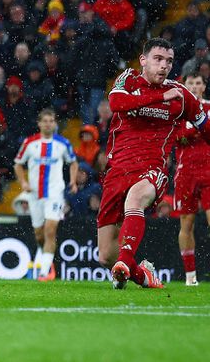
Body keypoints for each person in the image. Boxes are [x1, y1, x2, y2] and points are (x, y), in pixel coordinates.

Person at [98, 38, 210, 290]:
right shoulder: (128, 79)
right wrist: (156, 99)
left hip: (152, 168)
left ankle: (126, 263)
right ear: (143, 60)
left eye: (169, 61)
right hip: (117, 170)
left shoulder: (181, 95)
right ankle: (141, 274)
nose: (164, 66)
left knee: (135, 200)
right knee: (105, 255)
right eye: (158, 59)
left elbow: (206, 129)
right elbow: (116, 104)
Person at [13, 109, 79, 282]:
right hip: (34, 194)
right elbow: (18, 164)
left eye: (51, 121)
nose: (48, 124)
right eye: (45, 121)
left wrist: (72, 181)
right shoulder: (30, 143)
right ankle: (46, 259)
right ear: (39, 123)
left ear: (55, 123)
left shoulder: (63, 143)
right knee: (39, 234)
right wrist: (23, 182)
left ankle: (45, 271)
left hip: (55, 193)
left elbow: (73, 162)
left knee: (50, 229)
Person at [173, 72, 210, 286]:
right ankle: (190, 277)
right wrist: (198, 128)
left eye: (198, 83)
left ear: (204, 87)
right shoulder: (178, 111)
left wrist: (191, 130)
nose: (195, 86)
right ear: (184, 86)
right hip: (185, 173)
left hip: (208, 170)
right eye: (190, 83)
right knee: (186, 223)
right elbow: (177, 137)